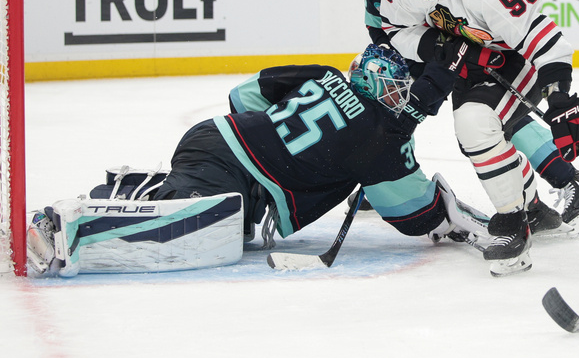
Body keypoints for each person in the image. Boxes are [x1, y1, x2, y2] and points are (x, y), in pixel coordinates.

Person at [24, 46, 497, 278]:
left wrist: (285, 143)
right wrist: (440, 213)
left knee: (197, 205)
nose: (399, 99)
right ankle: (60, 225)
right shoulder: (379, 138)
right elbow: (413, 216)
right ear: (378, 86)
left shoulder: (325, 75)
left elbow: (240, 95)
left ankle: (130, 188)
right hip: (236, 179)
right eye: (394, 88)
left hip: (214, 138)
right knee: (186, 221)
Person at [379, 0, 579, 276]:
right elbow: (395, 28)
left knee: (474, 124)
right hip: (470, 63)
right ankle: (533, 210)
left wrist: (559, 99)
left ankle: (511, 223)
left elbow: (542, 38)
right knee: (481, 137)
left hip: (515, 60)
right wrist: (439, 48)